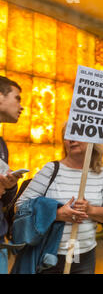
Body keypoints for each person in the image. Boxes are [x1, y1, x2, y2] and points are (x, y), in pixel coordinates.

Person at [15, 125, 103, 274]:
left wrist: (91, 210)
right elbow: (20, 206)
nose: (71, 140)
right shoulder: (51, 169)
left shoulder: (100, 173)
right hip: (49, 256)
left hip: (84, 256)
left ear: (91, 140)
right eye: (67, 136)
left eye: (77, 134)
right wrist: (56, 214)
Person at [0, 76, 24, 273]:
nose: (21, 106)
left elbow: (5, 198)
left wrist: (9, 186)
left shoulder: (2, 145)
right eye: (17, 98)